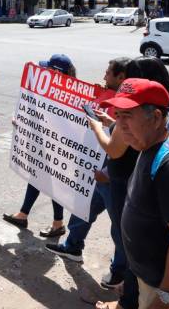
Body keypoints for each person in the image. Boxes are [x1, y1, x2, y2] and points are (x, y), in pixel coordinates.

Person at [101, 79, 169, 309]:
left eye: (128, 115)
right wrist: (138, 277)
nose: (119, 125)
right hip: (153, 284)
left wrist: (166, 299)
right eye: (118, 114)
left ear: (157, 117)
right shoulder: (148, 144)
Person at [45, 58, 132, 289]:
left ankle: (119, 272)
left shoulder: (128, 106)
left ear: (121, 77)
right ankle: (73, 246)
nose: (104, 77)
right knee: (83, 209)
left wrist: (98, 126)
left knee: (119, 228)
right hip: (101, 174)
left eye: (108, 73)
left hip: (114, 177)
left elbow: (119, 147)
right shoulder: (112, 100)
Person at [3, 54, 76, 238]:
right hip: (44, 142)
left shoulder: (67, 94)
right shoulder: (51, 89)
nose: (44, 71)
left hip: (57, 145)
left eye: (48, 69)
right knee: (37, 176)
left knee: (52, 182)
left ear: (56, 73)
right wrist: (22, 118)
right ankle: (23, 214)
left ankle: (57, 224)